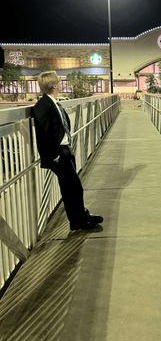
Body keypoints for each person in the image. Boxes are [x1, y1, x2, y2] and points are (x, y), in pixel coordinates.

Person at [32, 71, 103, 231]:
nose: (60, 83)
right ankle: (79, 221)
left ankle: (80, 218)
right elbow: (43, 133)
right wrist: (54, 155)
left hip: (65, 151)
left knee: (72, 187)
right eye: (59, 81)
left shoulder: (52, 103)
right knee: (73, 187)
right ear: (54, 85)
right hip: (59, 154)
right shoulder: (43, 106)